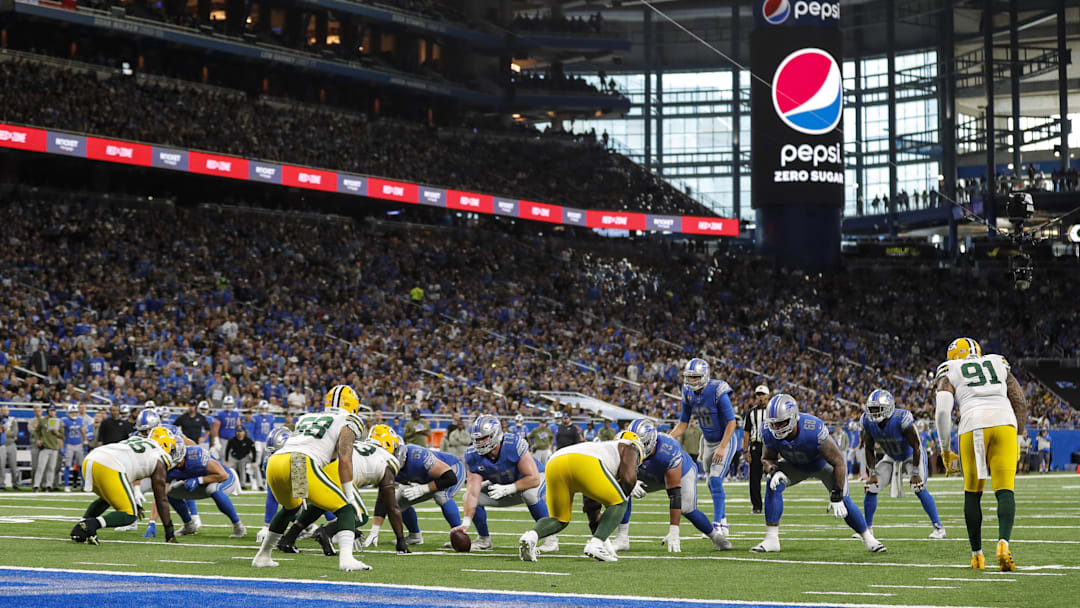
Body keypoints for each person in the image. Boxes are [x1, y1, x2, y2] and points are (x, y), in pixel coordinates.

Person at [253, 385, 369, 571]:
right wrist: (349, 493)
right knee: (346, 509)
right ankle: (347, 559)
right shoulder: (350, 418)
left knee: (291, 508)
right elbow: (345, 457)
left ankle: (263, 556)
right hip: (300, 461)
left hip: (276, 461)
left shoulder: (306, 417)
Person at [935, 338, 1027, 571]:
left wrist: (945, 448)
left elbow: (943, 412)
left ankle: (977, 555)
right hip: (1006, 423)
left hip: (973, 424)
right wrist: (1018, 435)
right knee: (1005, 488)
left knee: (973, 492)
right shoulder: (997, 361)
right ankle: (1004, 544)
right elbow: (1019, 401)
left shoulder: (950, 369)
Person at [751, 394, 886, 554]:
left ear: (793, 417)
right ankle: (771, 539)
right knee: (772, 484)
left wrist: (836, 494)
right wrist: (773, 470)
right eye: (774, 424)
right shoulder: (768, 431)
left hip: (823, 465)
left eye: (782, 423)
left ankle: (868, 537)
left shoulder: (812, 428)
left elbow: (838, 462)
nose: (778, 428)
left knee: (844, 502)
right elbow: (767, 458)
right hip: (795, 466)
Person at [277, 425, 409, 556]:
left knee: (320, 503)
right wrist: (400, 539)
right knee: (359, 515)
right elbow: (392, 506)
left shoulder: (358, 444)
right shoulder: (388, 459)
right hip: (339, 471)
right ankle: (327, 532)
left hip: (313, 464)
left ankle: (288, 538)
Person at [519, 430, 644, 562]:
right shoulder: (630, 446)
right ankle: (596, 545)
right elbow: (628, 479)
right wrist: (628, 489)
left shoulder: (604, 450)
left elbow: (591, 505)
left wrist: (603, 539)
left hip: (555, 461)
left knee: (559, 519)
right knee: (620, 502)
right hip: (583, 461)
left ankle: (531, 536)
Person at [612, 419, 729, 552]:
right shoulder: (624, 443)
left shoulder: (668, 450)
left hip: (682, 472)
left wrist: (674, 530)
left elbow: (674, 494)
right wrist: (629, 483)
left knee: (687, 509)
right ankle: (622, 538)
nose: (636, 449)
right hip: (648, 474)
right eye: (633, 445)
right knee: (622, 490)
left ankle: (715, 537)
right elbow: (614, 473)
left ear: (650, 442)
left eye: (641, 444)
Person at [454, 415, 558, 552]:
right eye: (477, 439)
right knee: (471, 497)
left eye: (483, 438)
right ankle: (484, 540)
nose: (479, 442)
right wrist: (465, 523)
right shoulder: (472, 455)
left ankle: (550, 539)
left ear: (495, 434)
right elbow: (472, 492)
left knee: (530, 495)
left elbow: (533, 479)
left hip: (534, 480)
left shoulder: (512, 444)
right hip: (502, 485)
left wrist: (509, 488)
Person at [71, 427, 185, 544]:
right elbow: (161, 498)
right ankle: (91, 524)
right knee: (130, 514)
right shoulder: (160, 457)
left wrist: (130, 497)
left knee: (109, 498)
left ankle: (80, 527)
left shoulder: (136, 440)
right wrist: (169, 532)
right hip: (110, 465)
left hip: (91, 459)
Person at [860, 389, 945, 539]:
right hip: (891, 456)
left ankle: (938, 527)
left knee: (918, 487)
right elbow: (869, 448)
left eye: (877, 409)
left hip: (911, 455)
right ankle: (867, 530)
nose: (873, 413)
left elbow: (916, 446)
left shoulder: (901, 418)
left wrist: (915, 473)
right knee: (871, 487)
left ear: (889, 408)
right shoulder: (867, 421)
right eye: (871, 409)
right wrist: (872, 473)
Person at [669, 358, 737, 543]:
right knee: (710, 482)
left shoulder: (717, 390)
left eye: (695, 377)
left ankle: (717, 524)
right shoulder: (688, 393)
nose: (691, 381)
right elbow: (683, 423)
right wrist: (669, 437)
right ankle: (722, 518)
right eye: (689, 377)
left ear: (705, 376)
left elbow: (732, 422)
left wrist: (722, 447)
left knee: (715, 480)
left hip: (725, 440)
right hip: (706, 441)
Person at [364, 442, 464, 547]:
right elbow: (383, 498)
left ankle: (459, 534)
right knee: (398, 503)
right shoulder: (384, 466)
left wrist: (424, 489)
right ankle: (414, 536)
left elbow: (450, 478)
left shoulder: (417, 456)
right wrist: (374, 531)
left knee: (441, 496)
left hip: (451, 469)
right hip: (423, 479)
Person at [146, 442, 246, 539]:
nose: (178, 465)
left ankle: (238, 526)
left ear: (184, 457)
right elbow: (161, 496)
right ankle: (189, 525)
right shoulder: (169, 466)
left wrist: (199, 480)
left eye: (179, 462)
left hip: (224, 480)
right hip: (201, 484)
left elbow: (223, 475)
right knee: (170, 492)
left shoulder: (196, 456)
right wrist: (152, 522)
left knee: (214, 490)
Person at [742, 385, 769, 514]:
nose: (760, 397)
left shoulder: (773, 411)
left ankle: (772, 504)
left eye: (762, 394)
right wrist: (745, 451)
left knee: (773, 476)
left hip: (770, 446)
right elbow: (746, 432)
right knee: (754, 478)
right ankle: (756, 506)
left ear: (768, 396)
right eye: (758, 394)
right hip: (756, 446)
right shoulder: (751, 413)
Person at [33, 405, 63, 492]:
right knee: (40, 467)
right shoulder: (43, 420)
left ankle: (49, 485)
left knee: (51, 468)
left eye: (53, 410)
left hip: (54, 447)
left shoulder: (59, 421)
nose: (52, 412)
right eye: (50, 410)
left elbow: (62, 435)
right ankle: (36, 485)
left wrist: (57, 433)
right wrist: (38, 439)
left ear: (55, 411)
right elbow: (36, 431)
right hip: (45, 447)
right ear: (48, 411)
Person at [61, 404, 87, 492]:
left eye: (75, 412)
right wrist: (62, 446)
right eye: (72, 412)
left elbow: (83, 431)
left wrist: (85, 441)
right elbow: (62, 434)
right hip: (69, 445)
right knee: (67, 465)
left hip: (79, 444)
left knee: (81, 466)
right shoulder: (64, 420)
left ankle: (84, 485)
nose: (74, 414)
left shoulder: (80, 420)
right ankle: (67, 485)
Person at [250, 400, 275, 490]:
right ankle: (254, 481)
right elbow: (252, 431)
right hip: (258, 441)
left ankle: (266, 481)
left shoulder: (271, 417)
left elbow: (272, 430)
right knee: (256, 463)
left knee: (267, 462)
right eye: (262, 408)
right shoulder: (255, 417)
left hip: (266, 442)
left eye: (265, 408)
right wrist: (253, 441)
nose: (264, 410)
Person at [211, 395, 240, 459]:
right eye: (227, 404)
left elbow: (239, 427)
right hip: (223, 439)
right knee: (223, 456)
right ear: (223, 404)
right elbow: (215, 428)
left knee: (233, 457)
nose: (228, 406)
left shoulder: (235, 413)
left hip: (233, 439)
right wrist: (216, 440)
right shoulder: (220, 414)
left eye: (230, 404)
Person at [0, 405, 20, 490]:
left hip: (11, 444)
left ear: (9, 411)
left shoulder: (13, 420)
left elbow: (14, 433)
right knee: (1, 466)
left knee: (13, 466)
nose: (5, 412)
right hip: (2, 444)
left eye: (6, 410)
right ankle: (1, 485)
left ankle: (15, 484)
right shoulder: (1, 420)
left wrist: (4, 432)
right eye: (3, 410)